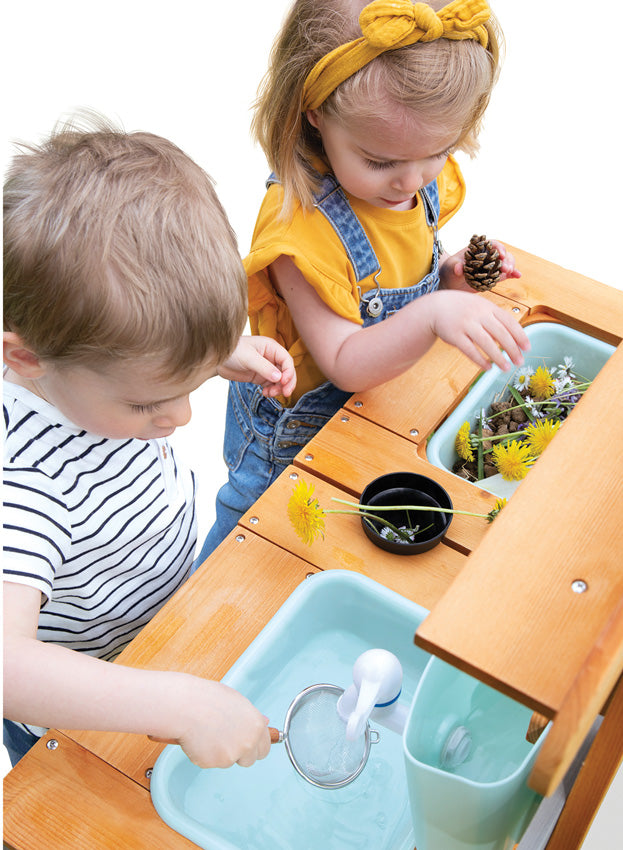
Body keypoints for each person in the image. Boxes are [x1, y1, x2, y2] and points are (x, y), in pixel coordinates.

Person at [3, 114, 296, 768]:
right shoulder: (24, 483)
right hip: (90, 710)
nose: (183, 417)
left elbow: (129, 351)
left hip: (159, 632)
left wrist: (209, 355)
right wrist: (178, 704)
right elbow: (7, 665)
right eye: (149, 401)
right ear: (27, 362)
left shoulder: (84, 368)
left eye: (187, 383)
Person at [198, 0, 531, 561]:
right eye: (379, 162)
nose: (413, 179)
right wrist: (431, 316)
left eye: (439, 152)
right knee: (250, 552)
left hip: (380, 405)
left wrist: (450, 282)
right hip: (294, 439)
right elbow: (346, 359)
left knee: (348, 545)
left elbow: (404, 269)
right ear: (313, 111)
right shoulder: (298, 229)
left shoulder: (408, 166)